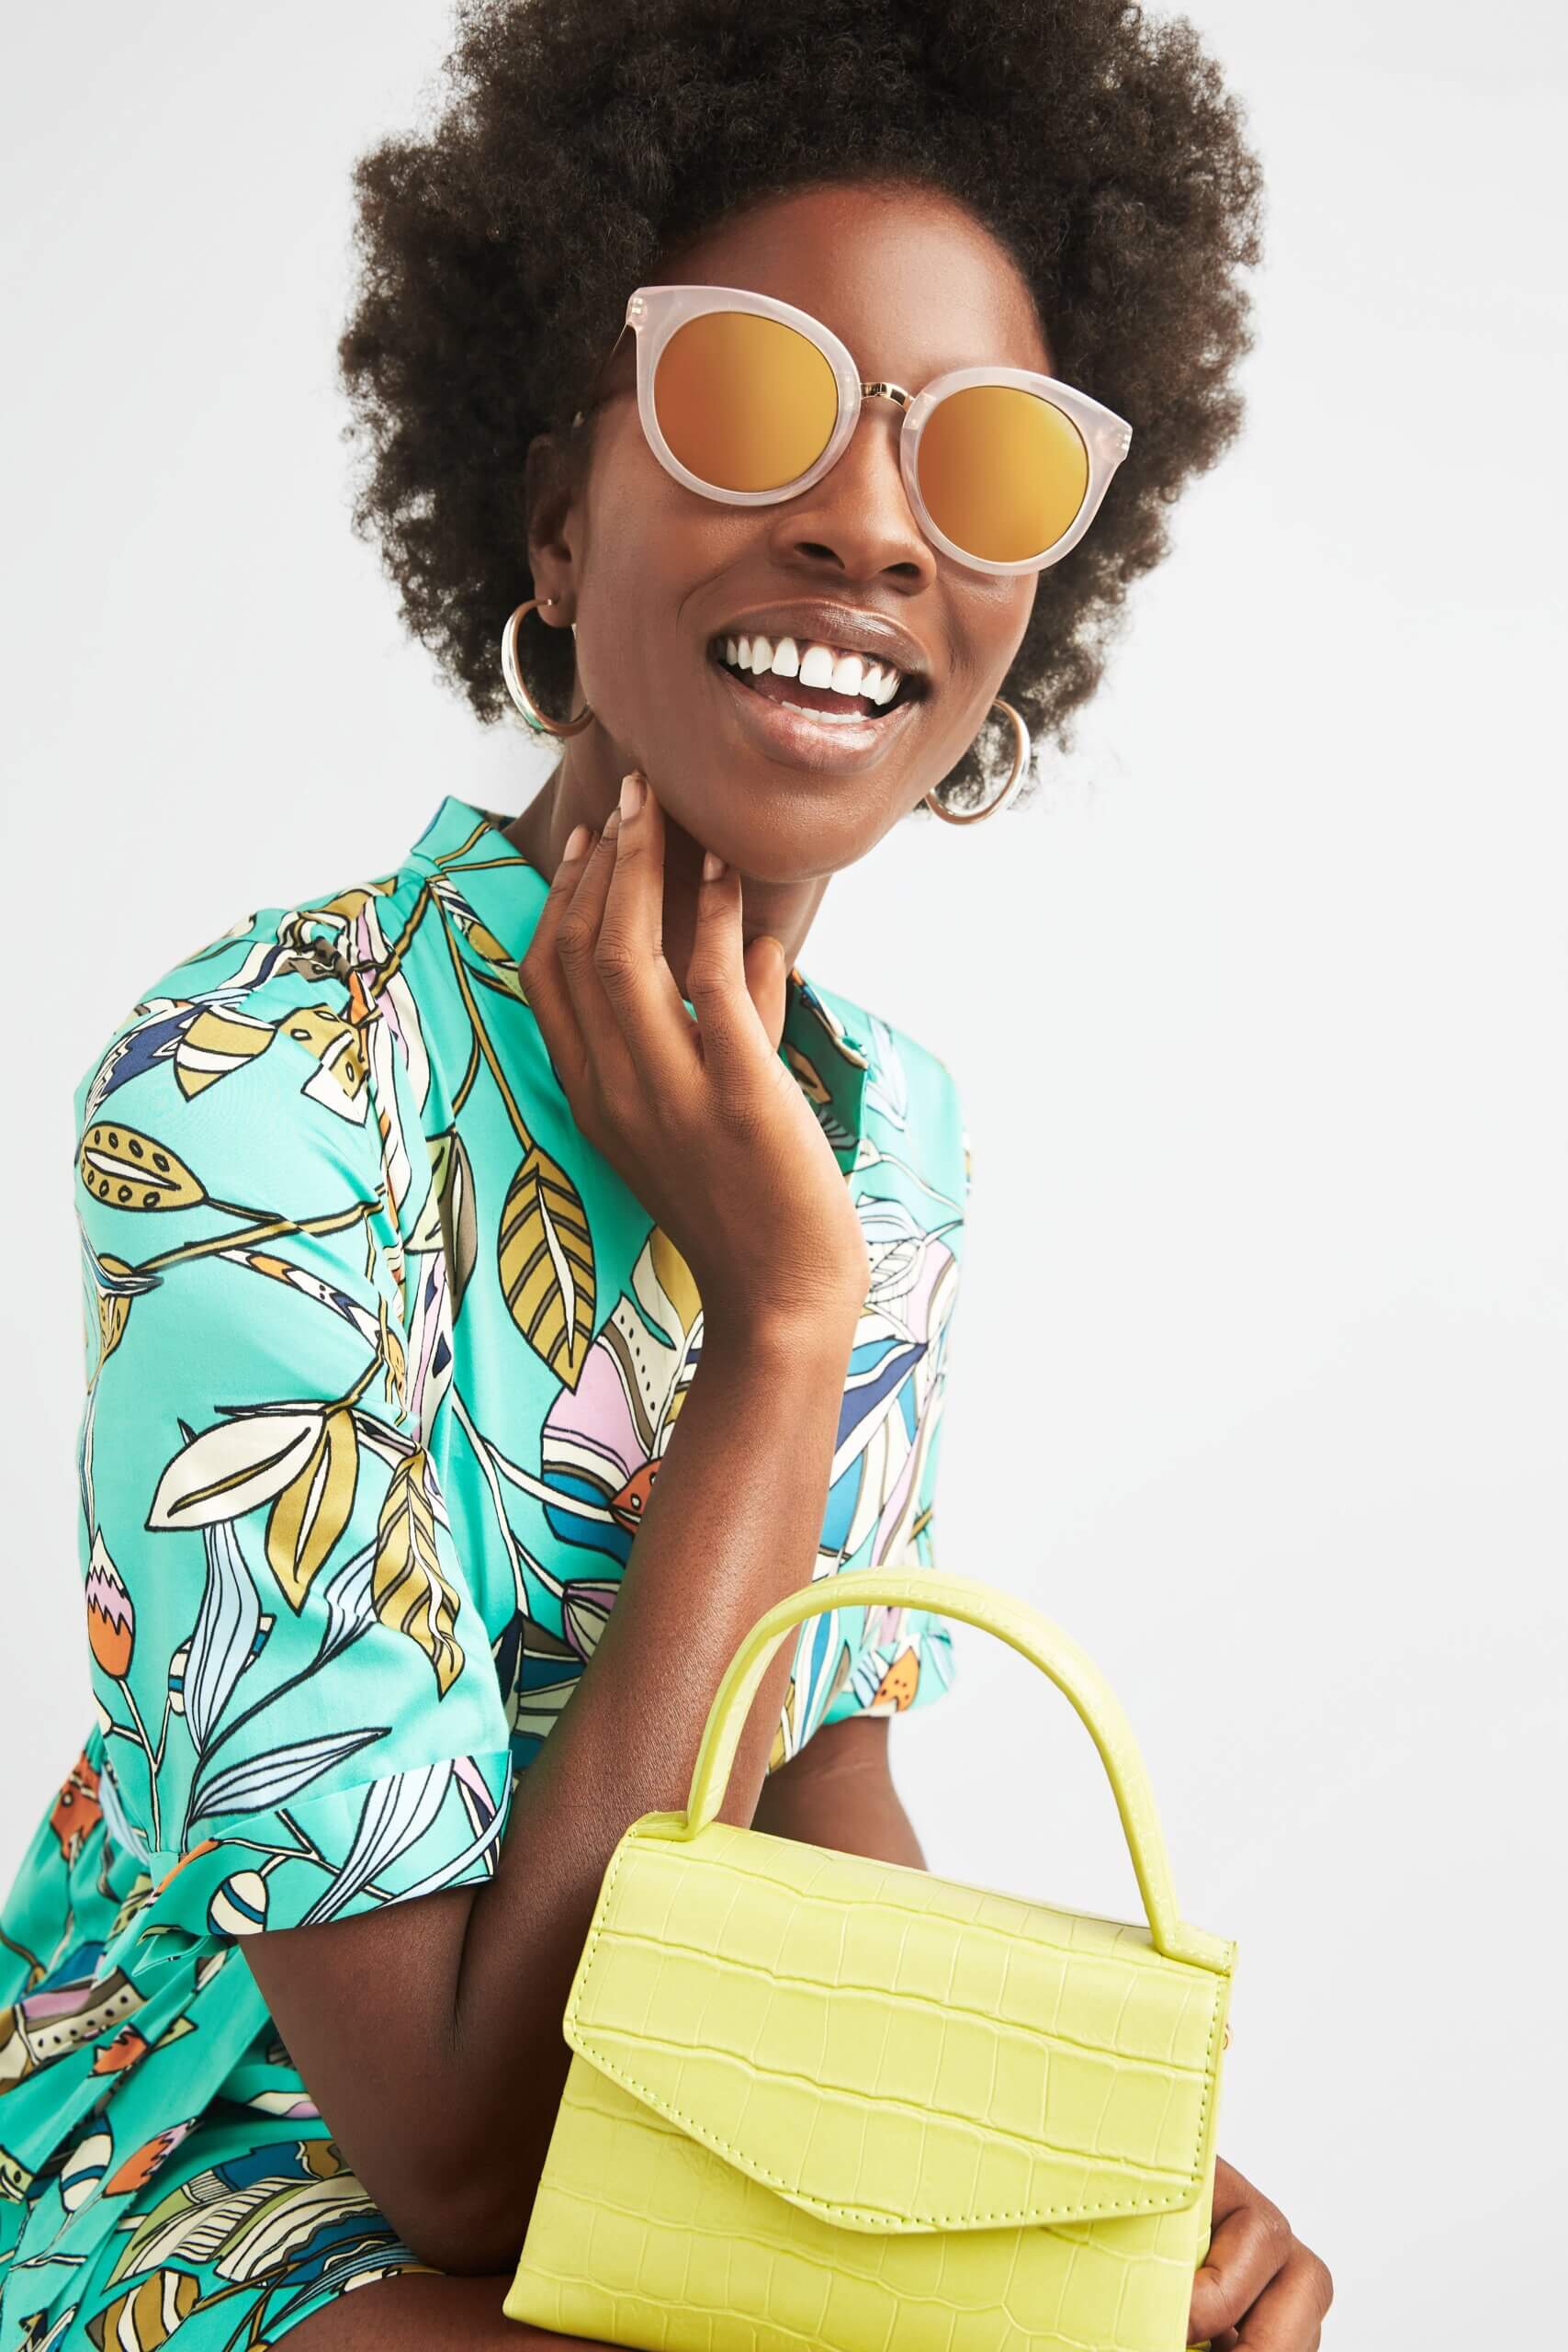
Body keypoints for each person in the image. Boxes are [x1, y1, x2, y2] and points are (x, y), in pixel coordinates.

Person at [0, 1, 1335, 2345]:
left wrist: (1063, 2162)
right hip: (174, 2163)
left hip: (653, 2146)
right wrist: (776, 1331)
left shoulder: (880, 1126)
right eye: (748, 402)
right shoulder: (247, 1099)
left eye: (987, 463)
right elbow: (449, 2153)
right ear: (550, 507)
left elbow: (814, 1790)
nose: (867, 524)